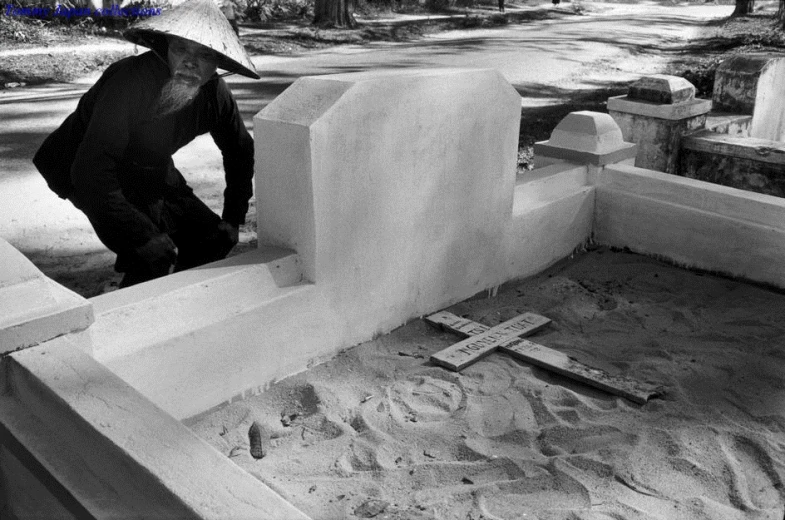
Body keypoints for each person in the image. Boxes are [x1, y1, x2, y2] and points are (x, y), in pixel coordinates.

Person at [33, 0, 260, 288]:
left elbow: (239, 150)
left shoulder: (216, 96)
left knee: (214, 238)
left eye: (204, 54)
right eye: (180, 49)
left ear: (219, 61)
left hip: (147, 165)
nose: (190, 63)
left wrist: (233, 216)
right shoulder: (130, 82)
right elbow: (91, 170)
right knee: (152, 254)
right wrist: (141, 234)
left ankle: (176, 301)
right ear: (165, 47)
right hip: (82, 165)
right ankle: (128, 314)